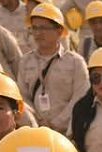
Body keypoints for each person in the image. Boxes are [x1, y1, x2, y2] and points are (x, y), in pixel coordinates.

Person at [18, 2, 90, 133]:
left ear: (59, 31)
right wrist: (36, 122)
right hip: (35, 132)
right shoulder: (25, 62)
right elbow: (22, 97)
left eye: (44, 28)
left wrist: (57, 123)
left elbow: (80, 97)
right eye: (34, 28)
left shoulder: (76, 62)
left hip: (68, 133)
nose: (38, 33)